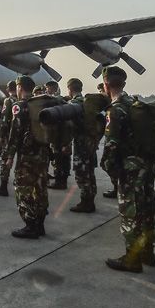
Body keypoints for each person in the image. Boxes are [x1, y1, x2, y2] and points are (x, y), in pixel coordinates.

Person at [101, 66, 155, 273]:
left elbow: (111, 144)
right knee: (147, 209)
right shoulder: (135, 104)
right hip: (146, 166)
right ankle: (147, 253)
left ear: (106, 84)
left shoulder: (115, 109)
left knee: (130, 212)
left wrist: (110, 169)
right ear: (123, 84)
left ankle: (131, 259)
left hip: (130, 168)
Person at [5, 75, 51, 238]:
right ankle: (40, 224)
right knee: (40, 188)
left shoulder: (20, 106)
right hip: (43, 155)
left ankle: (30, 226)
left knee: (23, 188)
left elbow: (15, 133)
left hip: (27, 156)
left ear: (19, 87)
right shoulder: (43, 104)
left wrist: (10, 156)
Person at [66, 78, 97, 213]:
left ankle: (86, 202)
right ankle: (90, 200)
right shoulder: (87, 102)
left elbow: (69, 126)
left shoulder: (73, 103)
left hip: (80, 143)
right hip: (90, 143)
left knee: (81, 173)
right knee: (90, 172)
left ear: (70, 89)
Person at [0, 81, 17, 196]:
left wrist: (1, 136)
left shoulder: (9, 100)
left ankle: (3, 186)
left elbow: (4, 119)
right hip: (22, 135)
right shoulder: (25, 100)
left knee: (5, 160)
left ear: (8, 88)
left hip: (10, 136)